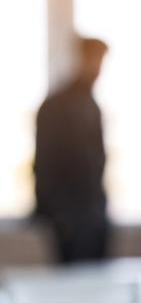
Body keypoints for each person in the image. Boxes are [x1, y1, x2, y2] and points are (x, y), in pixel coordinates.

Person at [33, 36, 110, 264]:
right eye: (94, 60)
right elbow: (44, 166)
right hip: (69, 221)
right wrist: (58, 216)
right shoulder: (55, 106)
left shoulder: (92, 106)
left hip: (95, 218)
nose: (97, 68)